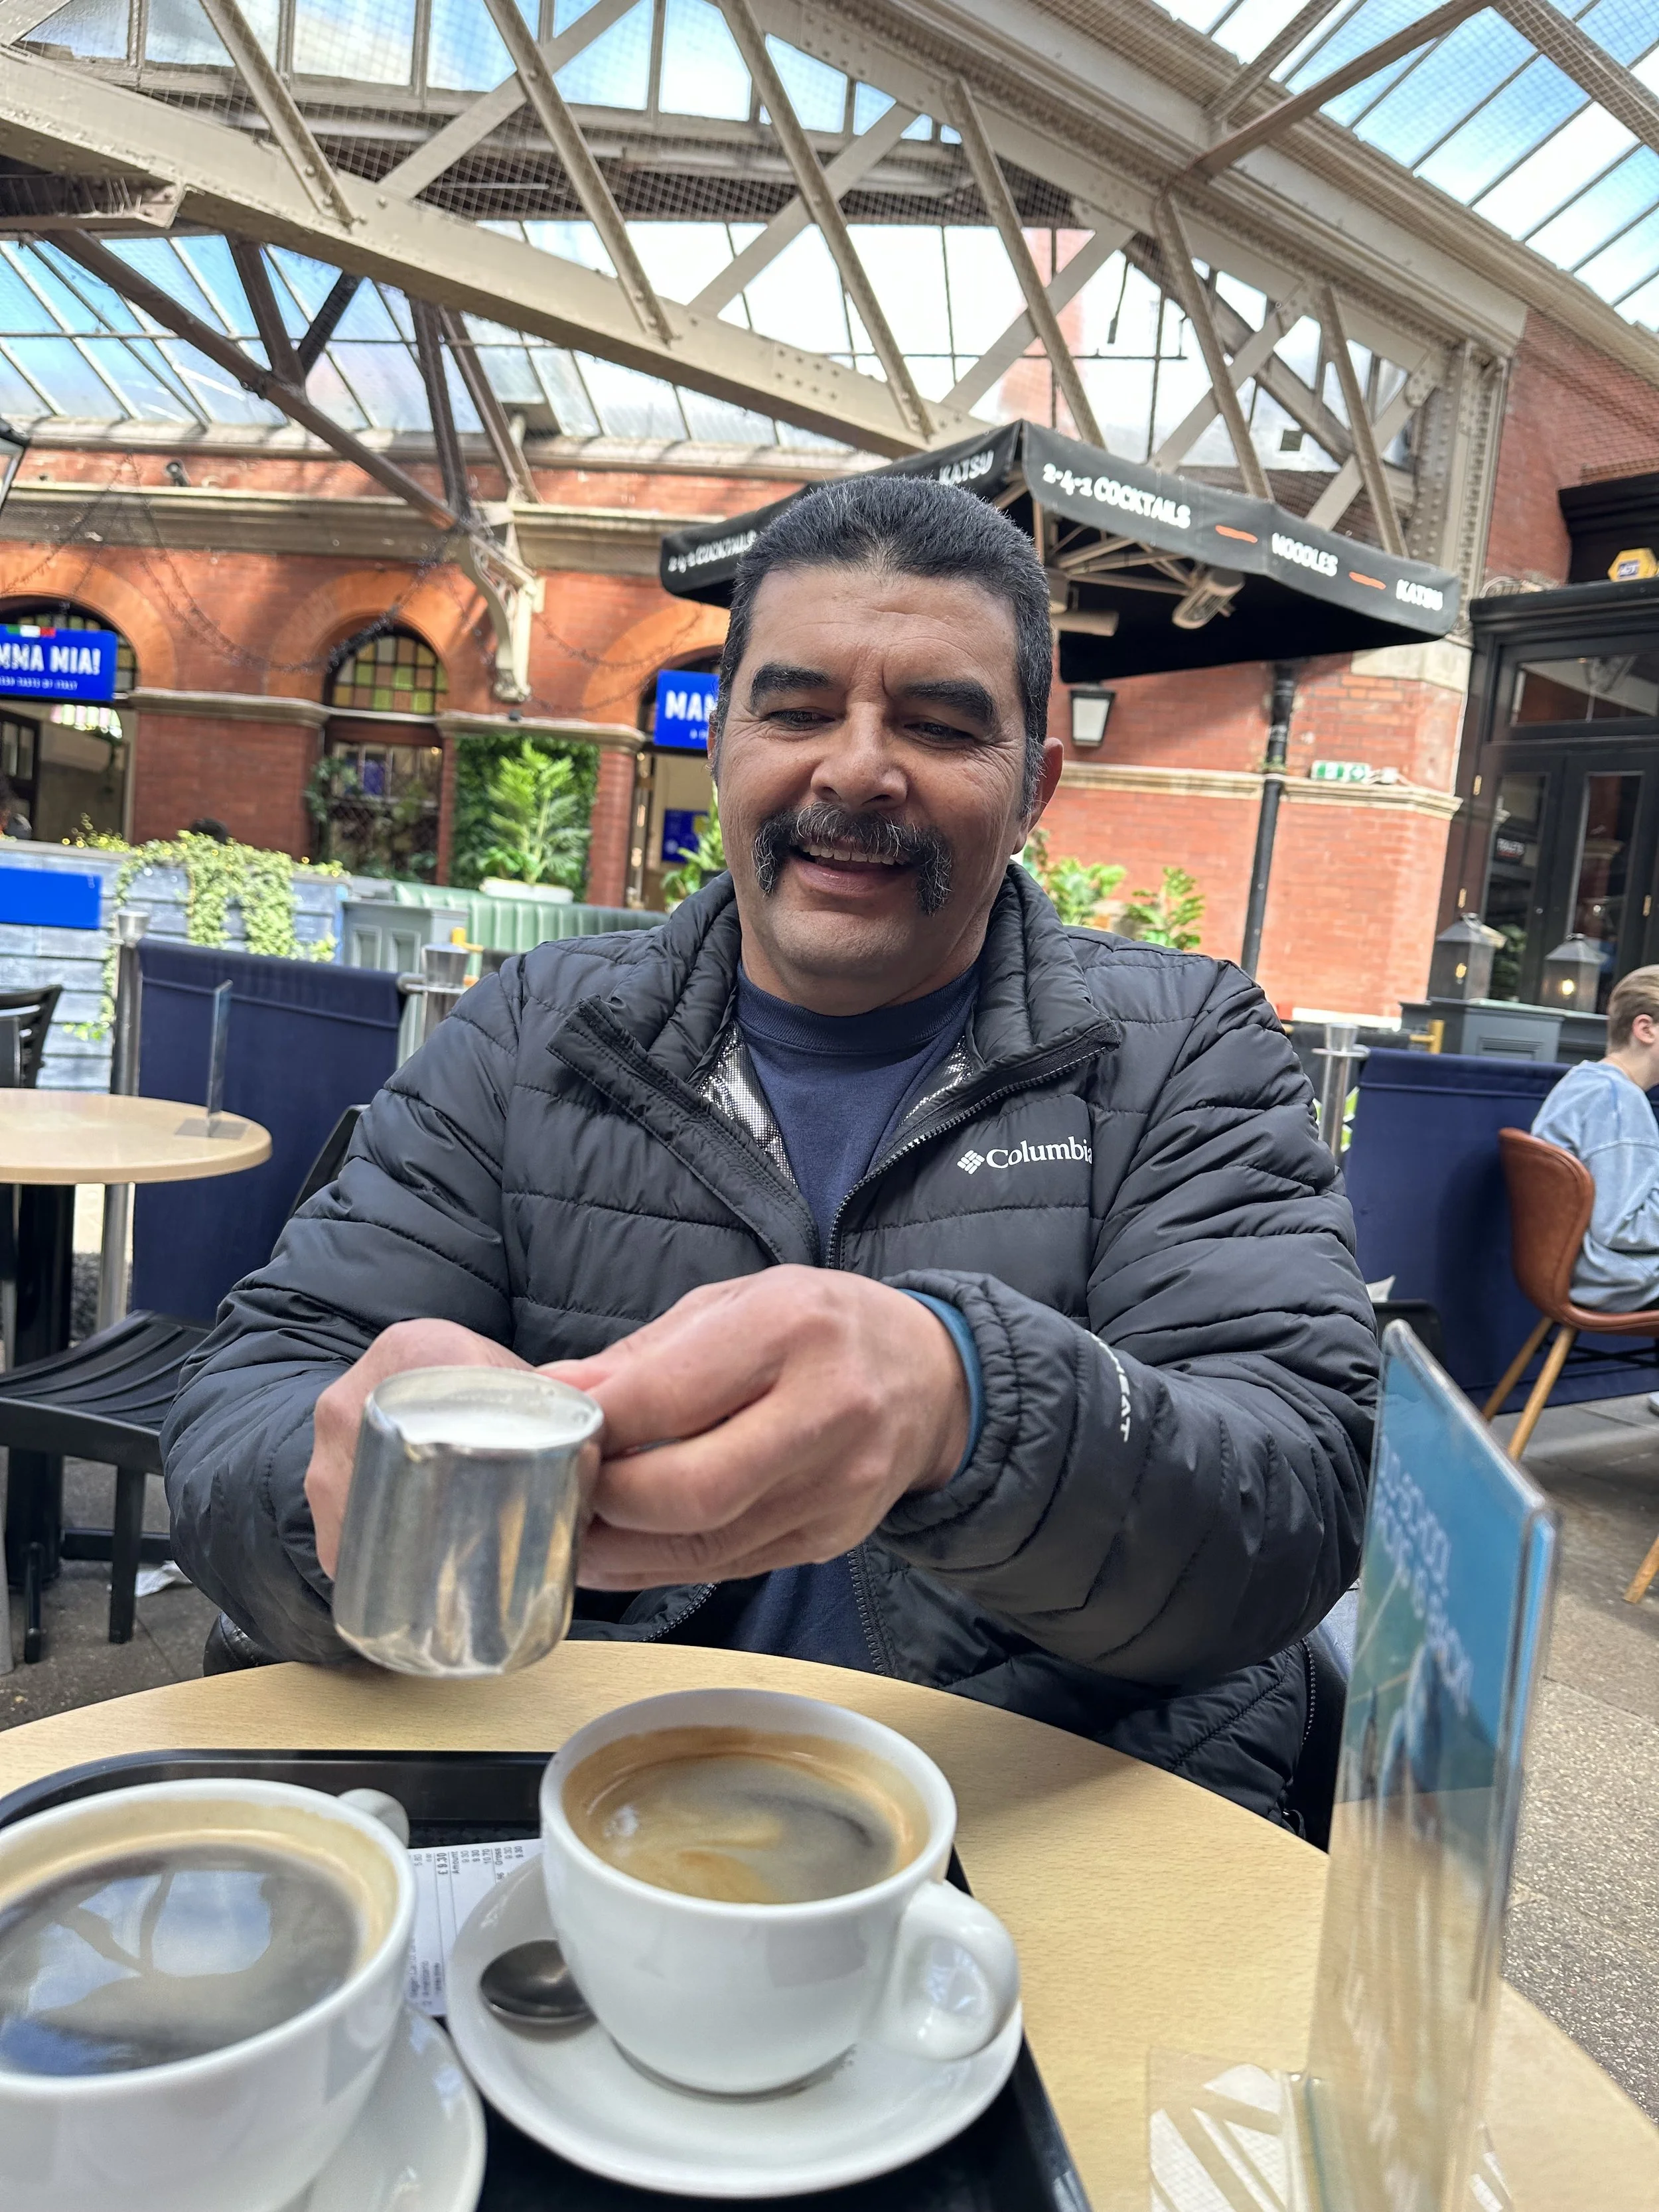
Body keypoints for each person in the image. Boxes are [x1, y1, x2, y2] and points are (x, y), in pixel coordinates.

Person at [164, 474, 1375, 1822]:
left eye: (938, 723)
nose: (854, 769)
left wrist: (967, 1404)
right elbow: (244, 1407)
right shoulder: (529, 1033)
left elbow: (1298, 1496)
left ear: (1034, 786)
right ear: (722, 738)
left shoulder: (1185, 1048)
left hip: (1031, 1819)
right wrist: (336, 1483)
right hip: (578, 1803)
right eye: (796, 711)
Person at [1531, 964, 1659, 1311]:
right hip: (1616, 1278)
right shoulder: (1619, 1102)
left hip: (1579, 1269)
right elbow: (1621, 1227)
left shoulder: (1582, 1081)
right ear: (1645, 1029)